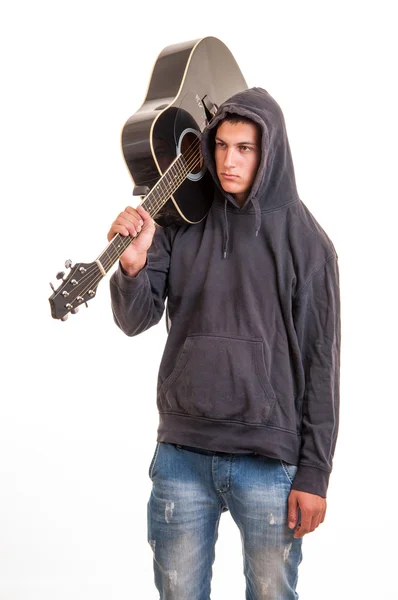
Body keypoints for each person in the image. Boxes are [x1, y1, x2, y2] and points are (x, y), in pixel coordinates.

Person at [107, 87, 340, 599]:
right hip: (181, 457)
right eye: (221, 145)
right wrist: (132, 264)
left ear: (270, 151)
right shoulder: (179, 222)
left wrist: (315, 474)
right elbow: (134, 318)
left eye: (245, 149)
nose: (228, 161)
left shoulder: (309, 245)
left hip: (270, 464)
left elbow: (322, 366)